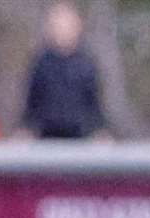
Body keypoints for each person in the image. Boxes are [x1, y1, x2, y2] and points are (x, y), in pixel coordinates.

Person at [21, 1, 107, 139]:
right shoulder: (41, 64)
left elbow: (94, 107)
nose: (63, 31)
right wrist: (25, 131)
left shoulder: (86, 65)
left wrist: (100, 133)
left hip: (80, 139)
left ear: (77, 27)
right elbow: (32, 106)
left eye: (67, 25)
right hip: (47, 140)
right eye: (58, 26)